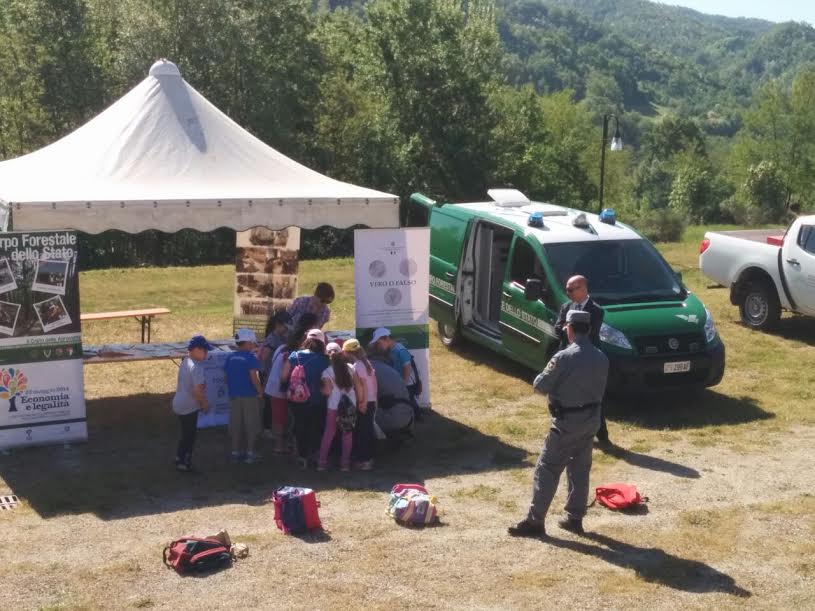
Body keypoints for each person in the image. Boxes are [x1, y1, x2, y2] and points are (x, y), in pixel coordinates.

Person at [508, 310, 609, 539]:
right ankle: (575, 519)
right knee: (580, 469)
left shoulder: (563, 357)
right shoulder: (602, 357)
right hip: (591, 420)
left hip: (567, 422)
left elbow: (539, 385)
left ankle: (535, 520)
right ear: (589, 329)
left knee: (547, 468)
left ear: (569, 329)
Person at [553, 275, 610, 446]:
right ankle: (563, 430)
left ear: (583, 289)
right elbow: (557, 329)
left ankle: (602, 435)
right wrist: (566, 330)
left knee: (593, 397)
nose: (568, 293)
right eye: (567, 290)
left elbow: (591, 334)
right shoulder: (566, 307)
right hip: (567, 359)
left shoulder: (596, 310)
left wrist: (569, 329)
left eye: (571, 290)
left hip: (588, 360)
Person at [281, 328, 330, 468]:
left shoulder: (294, 356)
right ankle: (315, 454)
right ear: (322, 342)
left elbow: (283, 377)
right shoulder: (326, 360)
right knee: (316, 428)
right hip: (318, 399)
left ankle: (301, 456)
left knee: (300, 426)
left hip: (297, 399)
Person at [171, 335, 212, 472]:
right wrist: (204, 403)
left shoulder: (185, 361)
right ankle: (184, 462)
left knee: (185, 434)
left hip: (179, 402)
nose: (207, 354)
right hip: (188, 406)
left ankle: (179, 457)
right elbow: (197, 391)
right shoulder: (197, 368)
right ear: (196, 350)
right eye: (205, 350)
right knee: (190, 435)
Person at [223, 328, 264, 464]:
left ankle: (235, 452)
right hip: (249, 396)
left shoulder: (230, 357)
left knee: (236, 424)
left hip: (234, 395)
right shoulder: (251, 358)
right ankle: (250, 453)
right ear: (247, 343)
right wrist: (260, 391)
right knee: (251, 424)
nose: (253, 345)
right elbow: (253, 377)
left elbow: (226, 377)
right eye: (252, 343)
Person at [265, 326, 307, 455]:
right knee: (281, 419)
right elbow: (286, 375)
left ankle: (280, 444)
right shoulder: (292, 355)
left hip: (273, 388)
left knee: (278, 417)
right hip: (280, 390)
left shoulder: (281, 348)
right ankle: (279, 446)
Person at [318, 351, 363, 471]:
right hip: (350, 406)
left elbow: (327, 392)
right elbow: (359, 386)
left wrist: (321, 390)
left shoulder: (327, 372)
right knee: (347, 434)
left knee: (328, 434)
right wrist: (360, 402)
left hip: (333, 406)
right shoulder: (351, 368)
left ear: (331, 360)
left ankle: (322, 463)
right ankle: (345, 464)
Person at [369, 327, 421, 418]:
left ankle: (416, 415)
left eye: (379, 343)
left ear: (386, 339)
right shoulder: (389, 350)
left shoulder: (400, 350)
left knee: (410, 400)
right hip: (400, 381)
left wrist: (404, 383)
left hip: (408, 382)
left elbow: (407, 367)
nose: (378, 346)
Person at [343, 338, 377, 470]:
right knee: (368, 430)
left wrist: (362, 402)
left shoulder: (357, 366)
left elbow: (362, 386)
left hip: (365, 402)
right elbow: (374, 383)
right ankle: (369, 458)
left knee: (362, 432)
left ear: (348, 352)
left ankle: (364, 461)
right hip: (372, 401)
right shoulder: (366, 363)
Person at [258, 310, 293, 436]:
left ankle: (274, 425)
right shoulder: (272, 339)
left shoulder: (282, 337)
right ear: (278, 325)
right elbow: (264, 357)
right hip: (268, 375)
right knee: (269, 403)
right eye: (285, 327)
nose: (287, 330)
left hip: (275, 374)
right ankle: (267, 428)